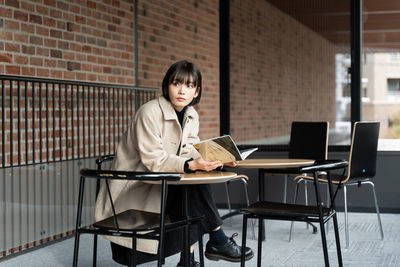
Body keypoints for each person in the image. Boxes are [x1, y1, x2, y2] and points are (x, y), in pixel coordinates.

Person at [94, 60, 254, 266]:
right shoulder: (149, 112)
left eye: (189, 86)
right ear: (167, 85)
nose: (182, 91)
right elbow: (154, 159)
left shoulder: (191, 115)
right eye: (176, 83)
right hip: (136, 189)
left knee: (191, 184)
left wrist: (217, 159)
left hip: (163, 184)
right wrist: (192, 164)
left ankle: (193, 257)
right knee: (191, 184)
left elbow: (189, 150)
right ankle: (216, 240)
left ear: (196, 92)